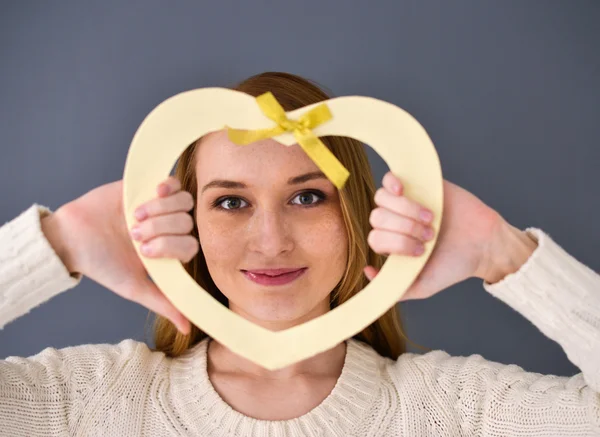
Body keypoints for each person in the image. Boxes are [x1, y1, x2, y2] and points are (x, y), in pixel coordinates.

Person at [0, 71, 598, 437]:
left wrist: (503, 253)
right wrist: (61, 243)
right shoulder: (84, 403)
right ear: (188, 221)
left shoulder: (459, 412)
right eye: (231, 203)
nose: (271, 241)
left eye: (308, 196)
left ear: (358, 215)